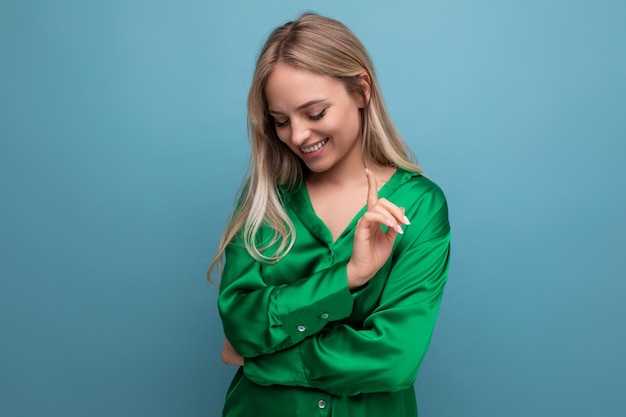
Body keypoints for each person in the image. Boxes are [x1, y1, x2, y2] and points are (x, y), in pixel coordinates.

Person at [209, 12, 451, 417]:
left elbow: (393, 359)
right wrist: (348, 277)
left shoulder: (420, 205)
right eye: (281, 121)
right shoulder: (265, 201)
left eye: (315, 113)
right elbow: (239, 323)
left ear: (361, 90)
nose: (298, 136)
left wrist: (264, 359)